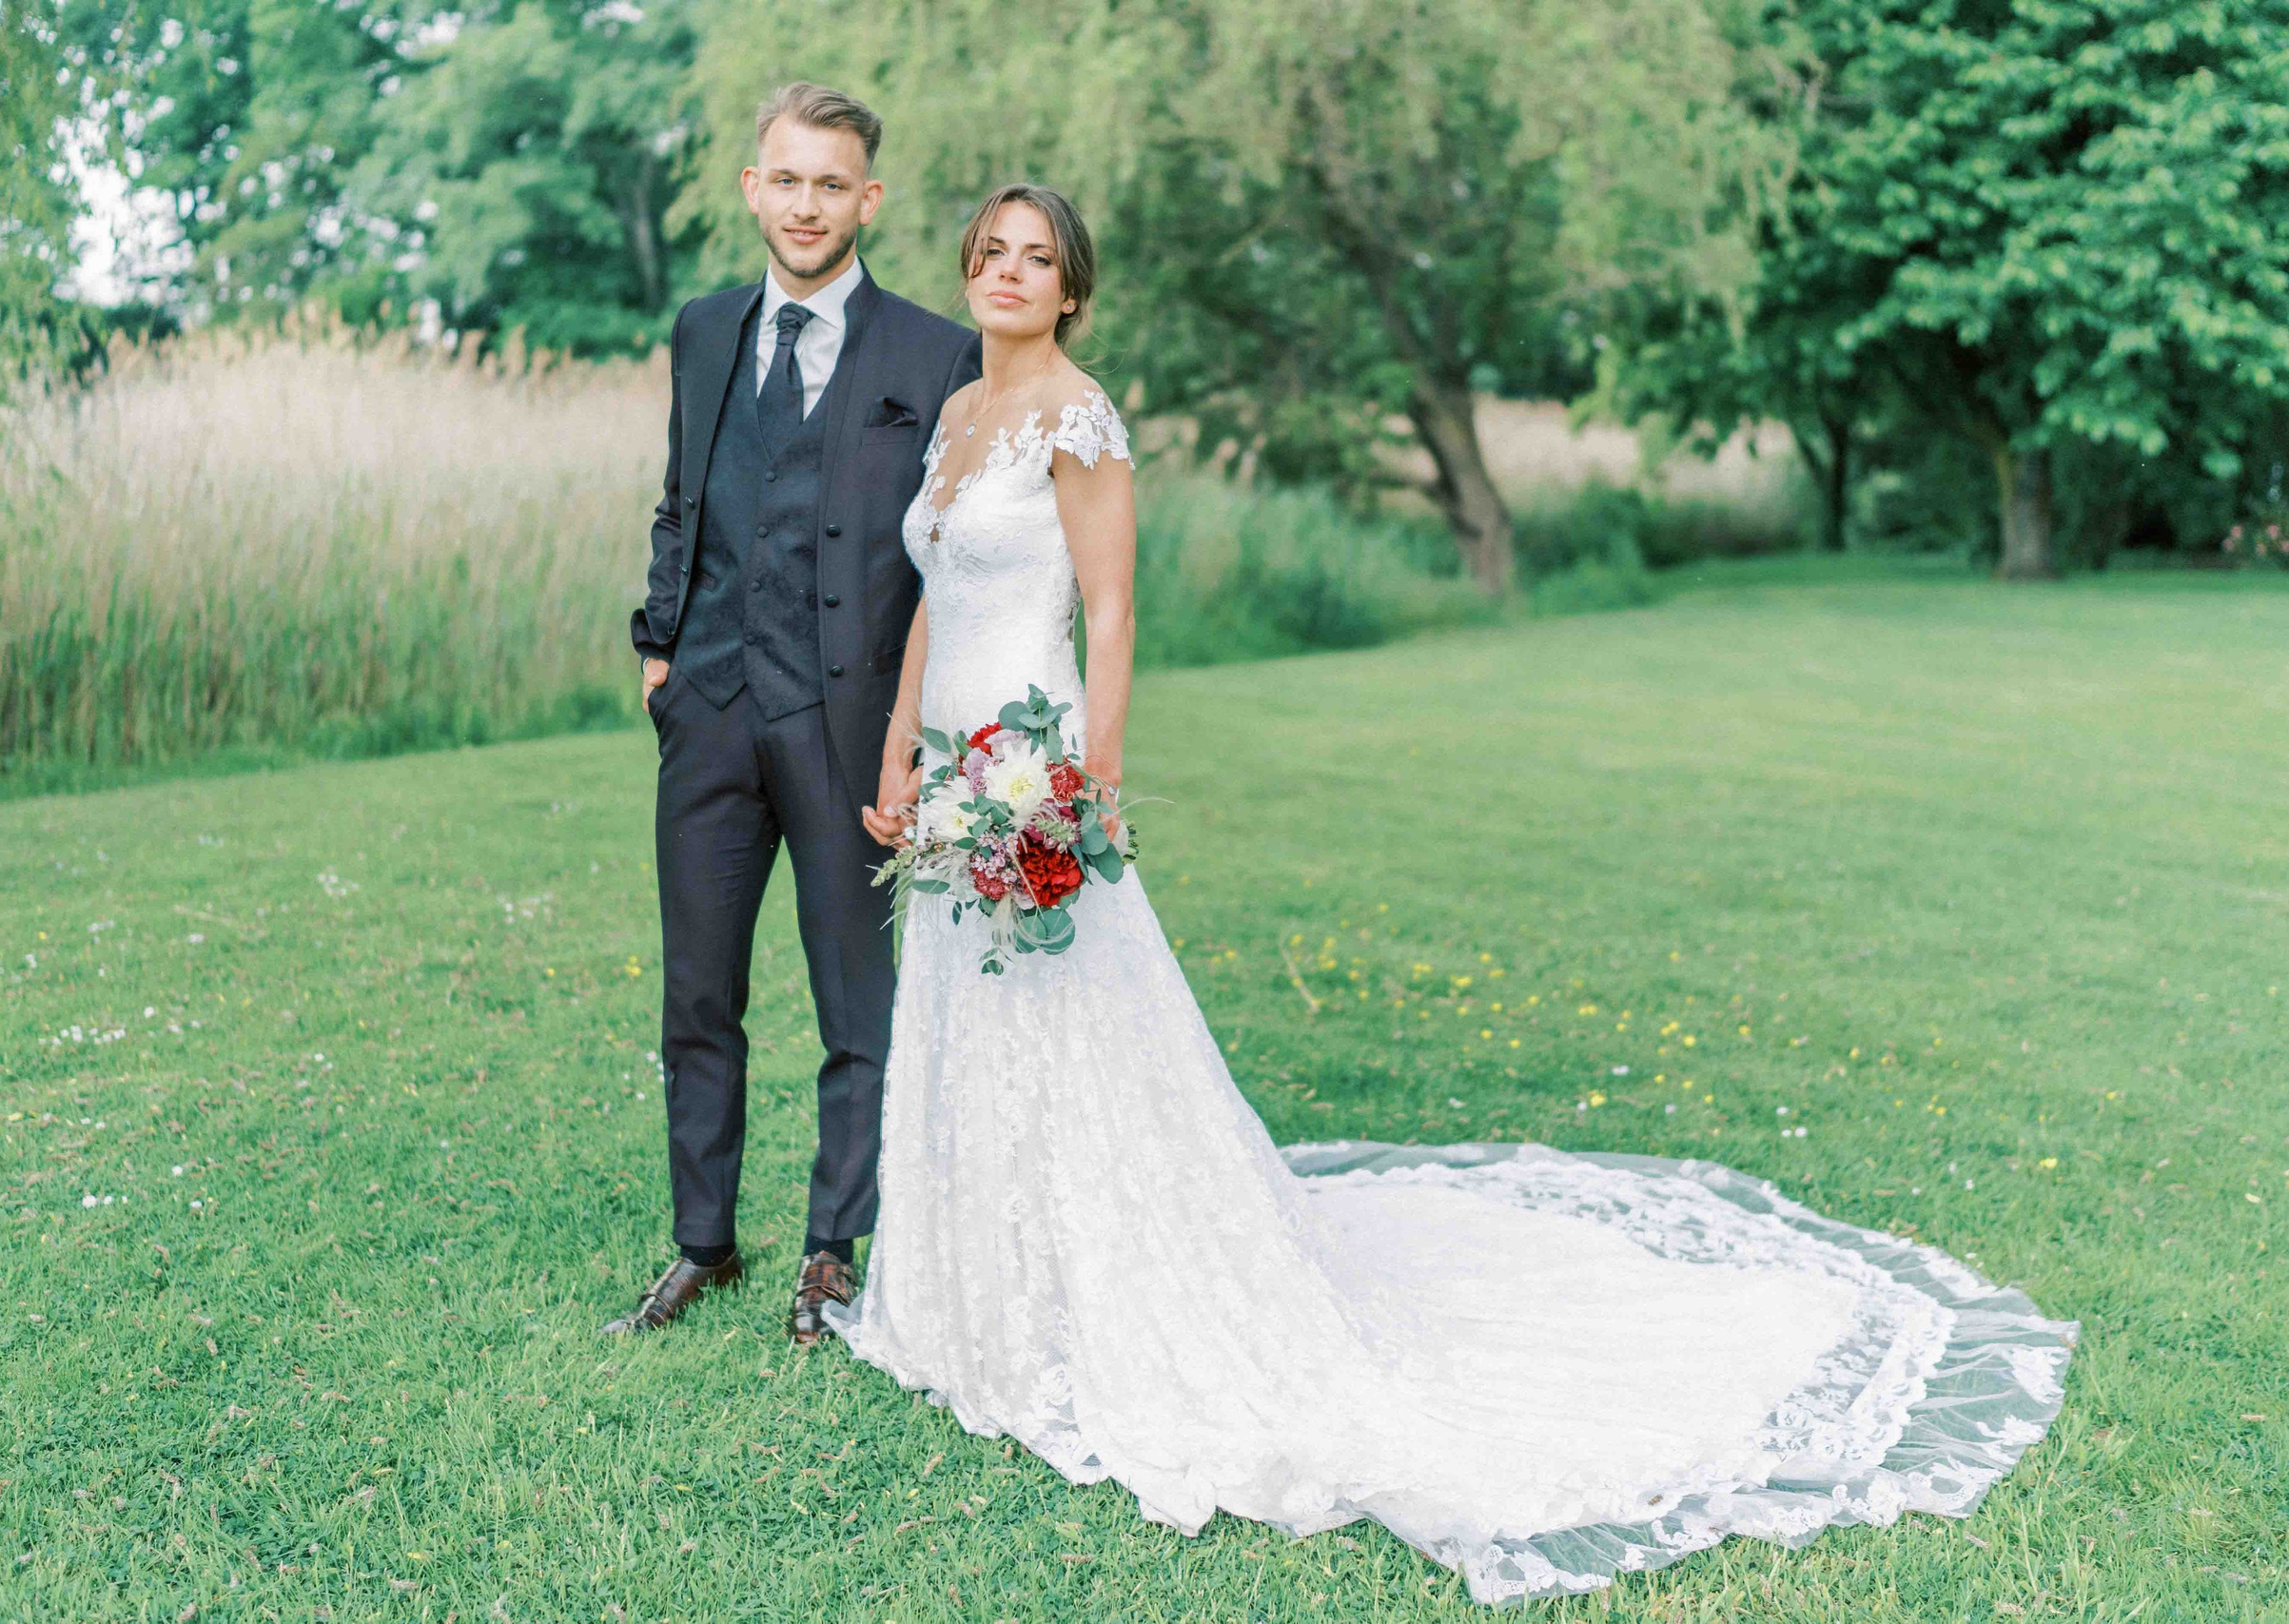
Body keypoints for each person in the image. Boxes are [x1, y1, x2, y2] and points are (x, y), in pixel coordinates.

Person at [831, 182, 2079, 1604]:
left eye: (1034, 259)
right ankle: (983, 1298)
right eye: (989, 254)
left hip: (1036, 762)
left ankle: (1110, 1302)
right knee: (972, 1028)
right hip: (944, 774)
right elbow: (932, 598)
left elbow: (1109, 614)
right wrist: (897, 759)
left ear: (1072, 289)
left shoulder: (1080, 419)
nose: (1004, 275)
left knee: (1074, 1028)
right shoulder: (955, 417)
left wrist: (1081, 789)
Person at [606, 84, 978, 1344]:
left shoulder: (935, 355)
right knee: (697, 997)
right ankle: (701, 1245)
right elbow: (680, 499)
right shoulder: (704, 330)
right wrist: (660, 648)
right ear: (753, 187)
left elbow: (951, 560)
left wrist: (916, 731)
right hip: (707, 714)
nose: (808, 203)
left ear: (866, 200)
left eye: (834, 183)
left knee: (854, 1008)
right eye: (789, 179)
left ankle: (833, 1248)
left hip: (850, 730)